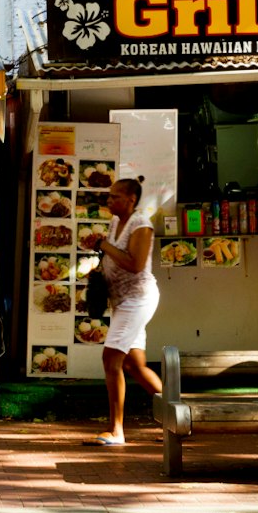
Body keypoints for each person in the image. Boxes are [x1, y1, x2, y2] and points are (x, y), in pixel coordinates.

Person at [91, 175, 163, 446]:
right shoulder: (114, 222)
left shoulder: (141, 225)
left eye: (115, 197)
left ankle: (116, 430)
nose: (109, 201)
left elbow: (135, 264)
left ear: (131, 200)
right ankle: (183, 419)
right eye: (109, 196)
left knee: (111, 360)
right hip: (121, 301)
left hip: (138, 299)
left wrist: (105, 246)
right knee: (135, 365)